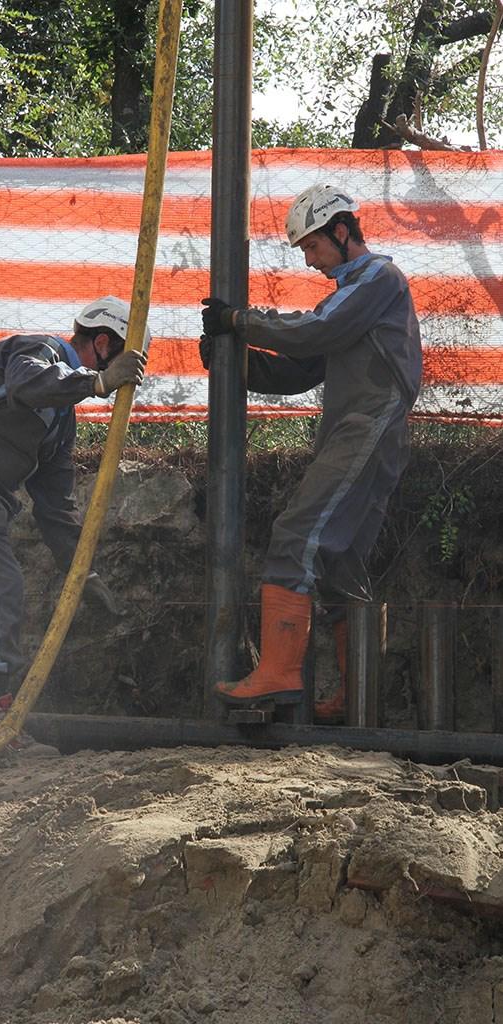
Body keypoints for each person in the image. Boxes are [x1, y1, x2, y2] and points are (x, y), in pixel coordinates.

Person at [200, 184, 422, 720]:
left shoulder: (378, 279)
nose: (310, 259)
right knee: (343, 564)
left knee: (296, 535)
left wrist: (239, 322)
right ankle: (358, 695)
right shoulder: (353, 297)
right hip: (365, 434)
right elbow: (302, 369)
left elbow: (315, 330)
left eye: (313, 246)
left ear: (342, 232)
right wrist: (236, 361)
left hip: (366, 428)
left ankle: (278, 675)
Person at [0, 296, 149, 756]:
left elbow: (55, 506)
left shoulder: (60, 424)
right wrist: (96, 381)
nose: (117, 387)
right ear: (101, 343)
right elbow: (29, 382)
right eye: (120, 368)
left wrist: (83, 570)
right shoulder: (39, 350)